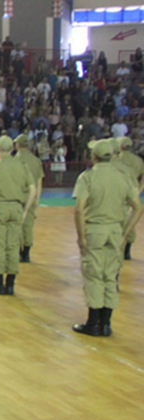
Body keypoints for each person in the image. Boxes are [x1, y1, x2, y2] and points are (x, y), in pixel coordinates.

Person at [72, 139, 143, 336]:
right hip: (115, 231)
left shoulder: (87, 177)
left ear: (93, 156)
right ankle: (106, 323)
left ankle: (93, 322)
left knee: (94, 275)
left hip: (95, 230)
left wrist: (81, 237)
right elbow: (138, 207)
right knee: (110, 276)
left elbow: (79, 209)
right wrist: (126, 232)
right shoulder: (123, 177)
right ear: (112, 156)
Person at [0, 136, 36, 296]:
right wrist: (25, 210)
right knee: (13, 246)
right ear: (12, 148)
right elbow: (32, 189)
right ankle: (10, 284)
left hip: (0, 208)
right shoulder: (22, 165)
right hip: (16, 207)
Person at [14, 134, 44, 263]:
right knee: (29, 225)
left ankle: (20, 252)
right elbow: (39, 181)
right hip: (32, 196)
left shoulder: (15, 160)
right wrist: (37, 198)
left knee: (18, 224)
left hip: (19, 195)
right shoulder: (36, 160)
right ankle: (26, 253)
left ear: (18, 145)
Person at [113, 136, 144, 259]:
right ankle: (127, 250)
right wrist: (139, 190)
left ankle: (117, 247)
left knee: (116, 220)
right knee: (131, 220)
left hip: (119, 193)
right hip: (133, 193)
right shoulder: (138, 160)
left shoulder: (117, 159)